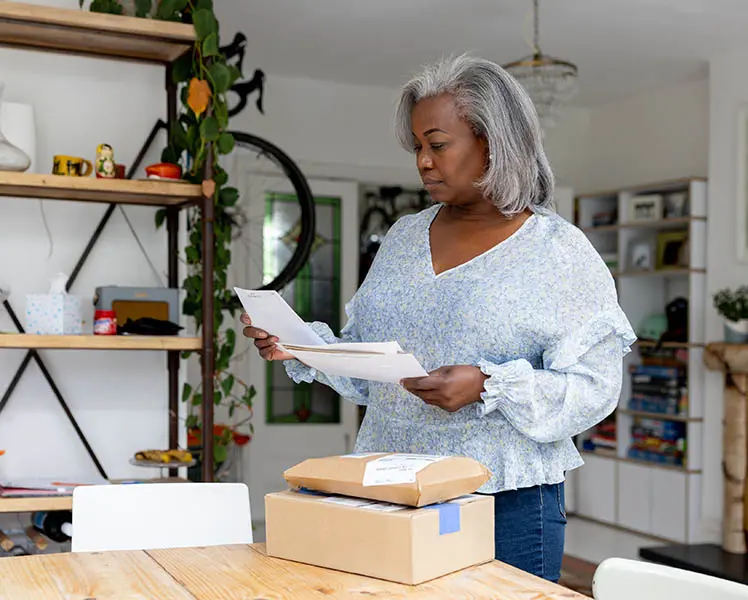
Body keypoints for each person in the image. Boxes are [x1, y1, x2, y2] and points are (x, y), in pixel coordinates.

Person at [240, 54, 636, 582]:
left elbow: (594, 388)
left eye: (438, 144)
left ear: (494, 142)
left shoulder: (558, 252)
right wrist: (304, 347)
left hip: (506, 504)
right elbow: (370, 363)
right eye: (418, 147)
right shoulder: (403, 238)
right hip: (388, 492)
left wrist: (487, 384)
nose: (424, 162)